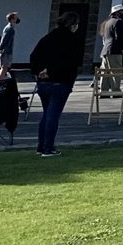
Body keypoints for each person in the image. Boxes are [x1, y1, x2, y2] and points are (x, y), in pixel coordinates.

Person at [28, 9, 85, 158]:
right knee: (53, 115)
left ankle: (42, 146)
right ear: (73, 25)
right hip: (60, 82)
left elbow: (34, 56)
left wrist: (39, 71)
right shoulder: (72, 41)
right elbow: (71, 62)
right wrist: (52, 72)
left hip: (44, 82)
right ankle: (48, 148)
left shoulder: (47, 38)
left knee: (46, 115)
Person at [97, 6, 123, 98]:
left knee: (105, 72)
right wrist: (122, 48)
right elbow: (118, 37)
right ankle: (116, 91)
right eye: (121, 11)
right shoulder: (118, 22)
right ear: (117, 12)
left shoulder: (107, 22)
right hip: (114, 50)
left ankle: (103, 91)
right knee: (116, 71)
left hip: (106, 50)